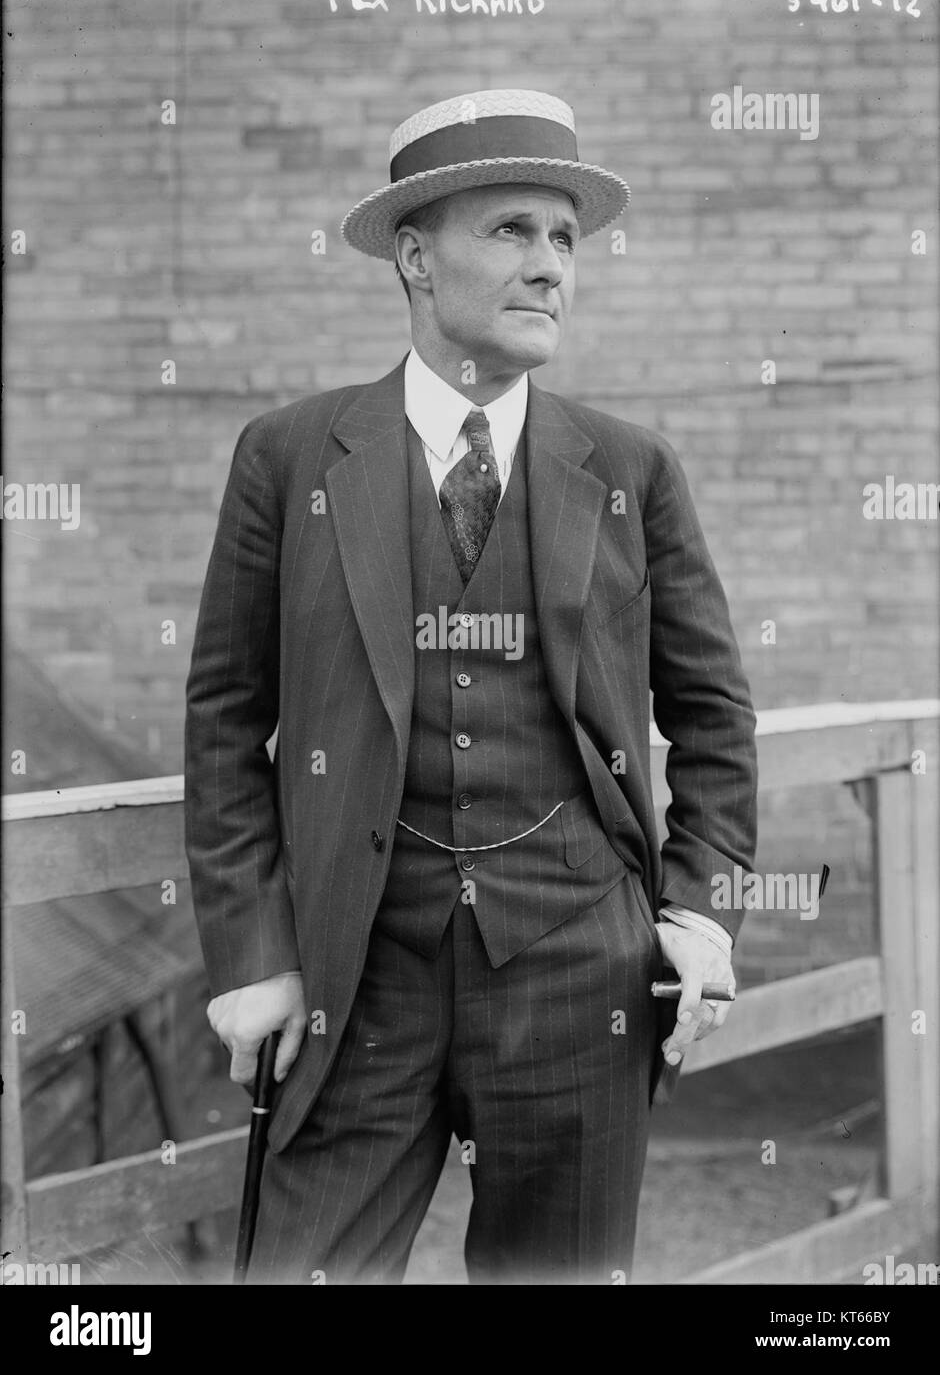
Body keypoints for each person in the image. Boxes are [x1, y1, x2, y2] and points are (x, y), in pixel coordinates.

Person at [184, 89, 758, 1285]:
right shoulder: (291, 458)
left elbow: (711, 715)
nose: (550, 265)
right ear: (412, 254)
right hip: (355, 977)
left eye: (562, 237)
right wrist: (251, 952)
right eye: (510, 231)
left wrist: (699, 912)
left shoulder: (629, 470)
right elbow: (227, 718)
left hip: (578, 974)